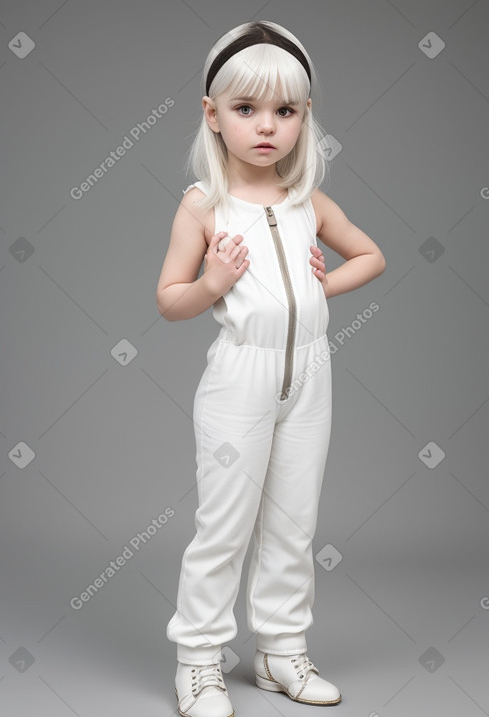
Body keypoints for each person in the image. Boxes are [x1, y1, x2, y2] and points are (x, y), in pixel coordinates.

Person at [156, 20, 386, 717]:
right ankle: (198, 662)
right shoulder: (203, 205)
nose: (266, 127)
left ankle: (281, 650)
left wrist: (325, 285)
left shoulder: (308, 200)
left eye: (285, 111)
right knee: (224, 525)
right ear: (212, 115)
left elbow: (372, 255)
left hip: (310, 377)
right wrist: (214, 280)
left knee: (293, 521)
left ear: (304, 117)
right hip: (239, 380)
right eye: (246, 109)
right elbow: (169, 301)